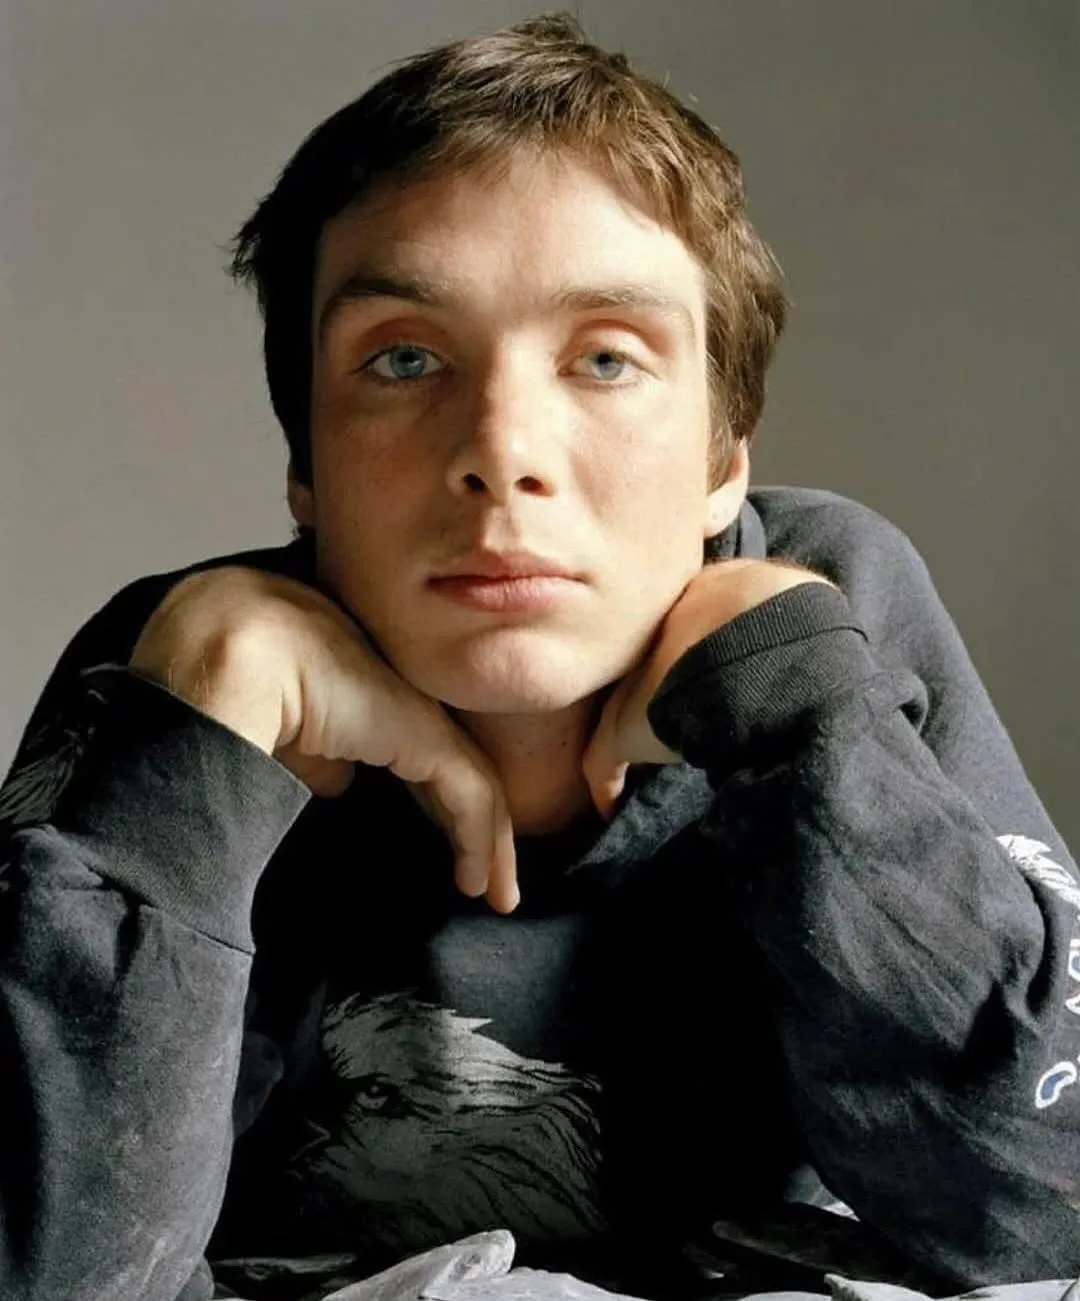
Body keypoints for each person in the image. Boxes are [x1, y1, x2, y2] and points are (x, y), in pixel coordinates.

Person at [1, 14, 1077, 1301]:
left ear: (724, 462)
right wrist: (188, 760)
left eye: (607, 359)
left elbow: (1042, 1215)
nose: (502, 449)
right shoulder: (196, 671)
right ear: (306, 463)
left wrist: (801, 717)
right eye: (404, 359)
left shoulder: (824, 617)